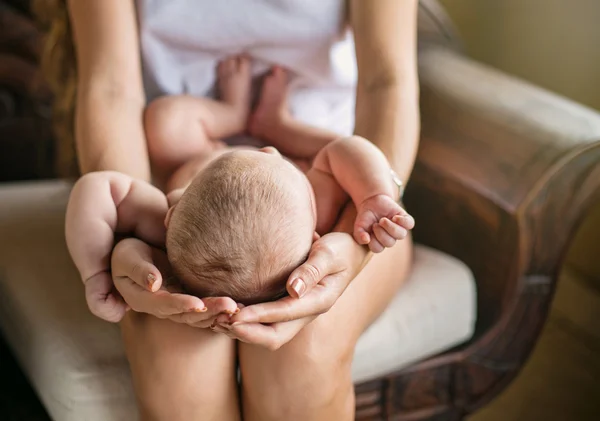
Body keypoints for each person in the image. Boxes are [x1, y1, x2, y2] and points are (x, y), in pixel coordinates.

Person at [47, 0, 420, 419]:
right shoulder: (170, 209)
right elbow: (110, 87)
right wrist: (124, 241)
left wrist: (364, 220)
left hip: (344, 198)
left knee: (303, 349)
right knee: (179, 359)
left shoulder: (326, 186)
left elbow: (387, 82)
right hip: (192, 214)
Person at [65, 55, 414, 308]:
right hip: (304, 165)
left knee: (165, 123)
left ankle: (232, 111)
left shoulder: (165, 225)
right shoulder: (315, 207)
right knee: (329, 156)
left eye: (262, 149)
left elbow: (97, 189)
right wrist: (374, 194)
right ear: (313, 238)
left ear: (174, 209)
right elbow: (347, 148)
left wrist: (96, 272)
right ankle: (280, 125)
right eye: (271, 154)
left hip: (198, 150)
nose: (266, 149)